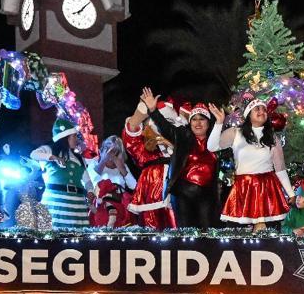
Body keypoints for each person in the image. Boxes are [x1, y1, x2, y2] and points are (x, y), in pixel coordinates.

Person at [207, 99, 294, 230]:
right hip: (243, 188)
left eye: (264, 109)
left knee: (270, 232)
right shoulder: (235, 133)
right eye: (257, 109)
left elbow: (280, 168)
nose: (262, 112)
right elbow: (212, 147)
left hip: (267, 190)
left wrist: (291, 194)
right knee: (237, 231)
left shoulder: (272, 138)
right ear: (248, 114)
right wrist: (219, 122)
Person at [145, 91, 220, 229]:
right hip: (182, 193)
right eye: (194, 119)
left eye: (202, 119)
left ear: (208, 123)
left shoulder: (217, 140)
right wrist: (153, 110)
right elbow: (165, 127)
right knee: (185, 233)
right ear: (190, 122)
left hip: (207, 194)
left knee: (208, 232)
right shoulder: (182, 136)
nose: (198, 123)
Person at [122, 88, 179, 229]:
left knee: (178, 229)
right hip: (151, 186)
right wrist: (142, 108)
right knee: (151, 230)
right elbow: (131, 133)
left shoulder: (181, 139)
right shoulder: (145, 143)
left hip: (177, 187)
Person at [30, 118, 93, 229]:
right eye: (73, 136)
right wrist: (53, 157)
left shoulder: (78, 158)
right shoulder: (49, 150)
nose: (76, 140)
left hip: (77, 203)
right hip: (56, 201)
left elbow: (87, 180)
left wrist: (91, 191)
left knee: (78, 238)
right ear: (65, 137)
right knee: (54, 234)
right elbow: (33, 154)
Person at [87, 135, 136, 228]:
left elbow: (134, 186)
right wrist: (103, 161)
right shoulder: (94, 163)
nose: (111, 156)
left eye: (116, 153)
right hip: (101, 206)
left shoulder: (122, 166)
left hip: (120, 205)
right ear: (101, 151)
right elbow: (92, 183)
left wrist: (121, 167)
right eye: (108, 151)